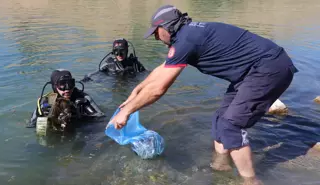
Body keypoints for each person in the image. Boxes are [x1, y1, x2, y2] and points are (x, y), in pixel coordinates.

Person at [108, 5, 298, 185]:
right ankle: (221, 167)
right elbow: (162, 70)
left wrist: (127, 112)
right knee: (220, 118)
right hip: (249, 73)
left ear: (166, 27)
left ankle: (250, 180)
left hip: (269, 68)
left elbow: (159, 89)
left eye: (156, 33)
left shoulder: (186, 39)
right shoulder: (187, 34)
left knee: (231, 125)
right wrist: (136, 91)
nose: (157, 38)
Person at [27, 69, 105, 131]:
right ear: (55, 86)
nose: (67, 88)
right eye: (62, 84)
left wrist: (80, 116)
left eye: (70, 83)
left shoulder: (82, 98)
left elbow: (101, 119)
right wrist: (40, 115)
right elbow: (34, 127)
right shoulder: (48, 101)